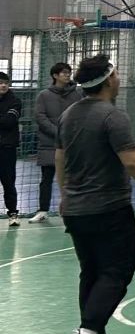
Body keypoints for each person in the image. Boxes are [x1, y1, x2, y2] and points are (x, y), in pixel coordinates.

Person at [56, 53, 135, 334]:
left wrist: (64, 195)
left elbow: (61, 159)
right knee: (118, 271)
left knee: (91, 272)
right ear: (107, 81)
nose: (119, 78)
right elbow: (131, 161)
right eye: (116, 74)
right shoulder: (113, 116)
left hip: (75, 209)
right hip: (108, 209)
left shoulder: (68, 114)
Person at [33, 62, 81, 222]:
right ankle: (42, 210)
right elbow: (40, 117)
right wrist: (58, 133)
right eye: (64, 73)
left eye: (69, 72)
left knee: (74, 178)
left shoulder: (77, 94)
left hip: (72, 143)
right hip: (49, 144)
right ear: (55, 75)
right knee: (46, 178)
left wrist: (71, 133)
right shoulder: (44, 95)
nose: (67, 75)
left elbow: (82, 114)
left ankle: (75, 208)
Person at [0, 72, 21, 227]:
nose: (3, 85)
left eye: (6, 83)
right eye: (0, 82)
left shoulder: (15, 101)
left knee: (8, 181)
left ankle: (13, 213)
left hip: (7, 148)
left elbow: (9, 122)